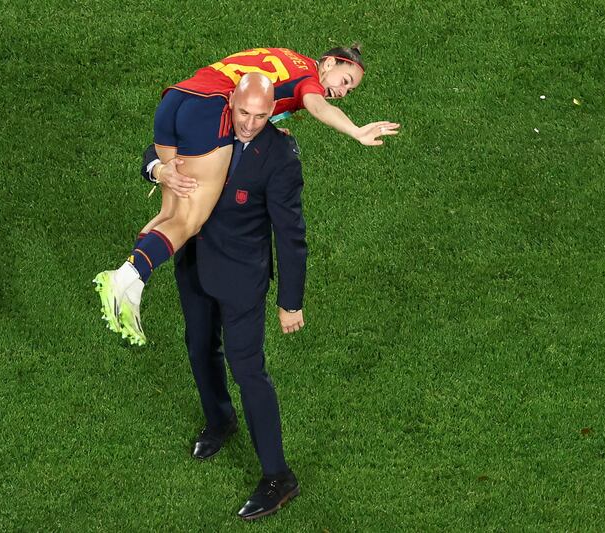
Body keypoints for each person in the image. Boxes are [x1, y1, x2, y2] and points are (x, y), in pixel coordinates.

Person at [95, 45, 399, 345]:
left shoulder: (287, 57)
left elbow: (255, 95)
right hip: (212, 109)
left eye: (350, 90)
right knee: (191, 221)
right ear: (329, 63)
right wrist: (356, 130)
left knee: (169, 213)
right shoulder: (308, 78)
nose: (343, 93)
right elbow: (317, 105)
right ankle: (121, 279)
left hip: (177, 99)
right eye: (345, 82)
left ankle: (131, 290)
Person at [141, 73, 305, 520]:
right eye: (244, 112)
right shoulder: (207, 125)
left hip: (241, 277)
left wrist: (290, 301)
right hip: (193, 263)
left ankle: (278, 476)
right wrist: (159, 170)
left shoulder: (280, 155)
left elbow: (291, 235)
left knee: (249, 371)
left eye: (261, 115)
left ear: (275, 111)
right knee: (198, 346)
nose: (249, 124)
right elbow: (153, 152)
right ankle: (219, 420)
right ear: (230, 100)